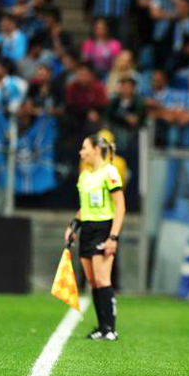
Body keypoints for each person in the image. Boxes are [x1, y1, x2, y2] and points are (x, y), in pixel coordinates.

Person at [65, 133, 126, 341]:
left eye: (84, 148)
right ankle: (101, 326)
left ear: (96, 150)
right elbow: (84, 207)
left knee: (102, 279)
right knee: (92, 280)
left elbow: (120, 206)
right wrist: (73, 226)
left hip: (103, 228)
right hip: (87, 230)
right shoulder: (84, 175)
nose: (81, 152)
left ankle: (111, 328)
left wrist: (113, 237)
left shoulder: (110, 172)